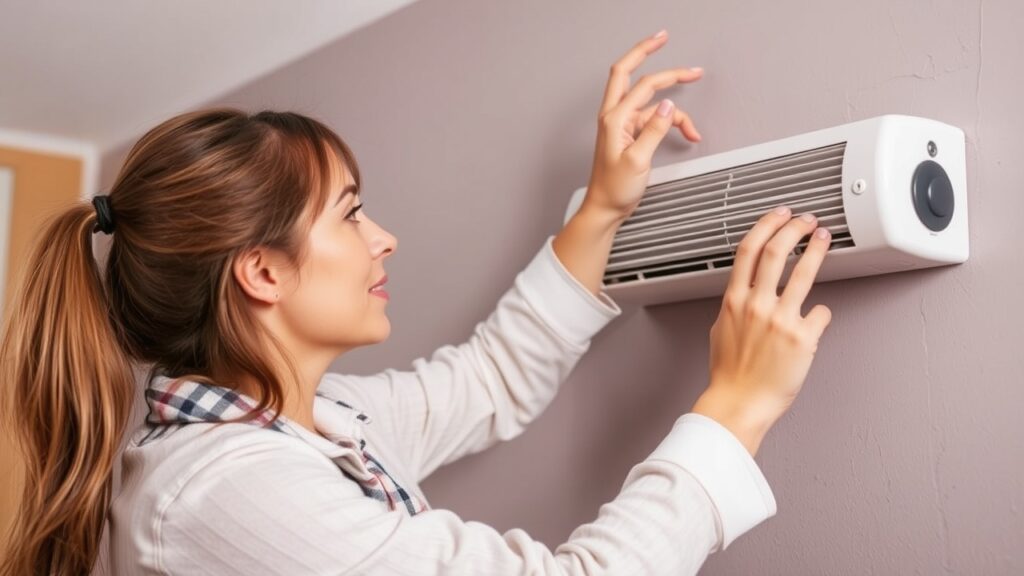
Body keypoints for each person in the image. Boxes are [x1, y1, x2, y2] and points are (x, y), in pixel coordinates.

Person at [0, 29, 832, 575]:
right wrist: (736, 406)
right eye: (351, 212)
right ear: (262, 273)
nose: (383, 237)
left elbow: (490, 380)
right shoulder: (226, 494)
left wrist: (605, 208)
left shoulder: (316, 419)